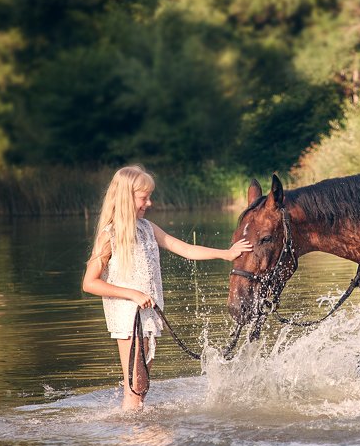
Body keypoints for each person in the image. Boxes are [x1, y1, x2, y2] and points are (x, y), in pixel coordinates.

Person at [82, 165, 251, 411]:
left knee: (142, 387)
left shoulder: (148, 228)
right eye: (144, 197)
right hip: (128, 318)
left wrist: (226, 254)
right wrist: (133, 294)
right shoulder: (110, 236)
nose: (149, 202)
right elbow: (90, 283)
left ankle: (136, 438)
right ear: (126, 197)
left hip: (148, 315)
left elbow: (184, 249)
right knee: (135, 388)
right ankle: (131, 443)